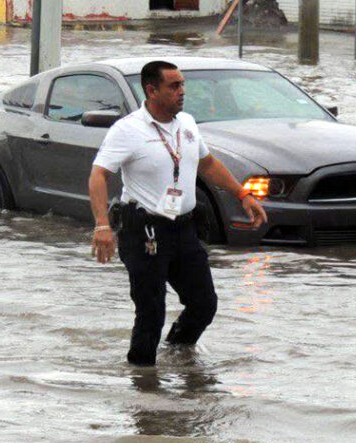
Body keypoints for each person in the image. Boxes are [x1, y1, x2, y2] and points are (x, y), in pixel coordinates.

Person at [88, 60, 267, 367]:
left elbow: (207, 164)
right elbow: (98, 175)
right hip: (144, 229)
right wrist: (102, 226)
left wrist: (243, 194)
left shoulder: (187, 123)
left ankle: (175, 353)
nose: (182, 91)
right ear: (151, 90)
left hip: (183, 228)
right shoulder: (128, 130)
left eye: (183, 84)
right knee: (151, 311)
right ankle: (144, 385)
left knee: (204, 303)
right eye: (174, 86)